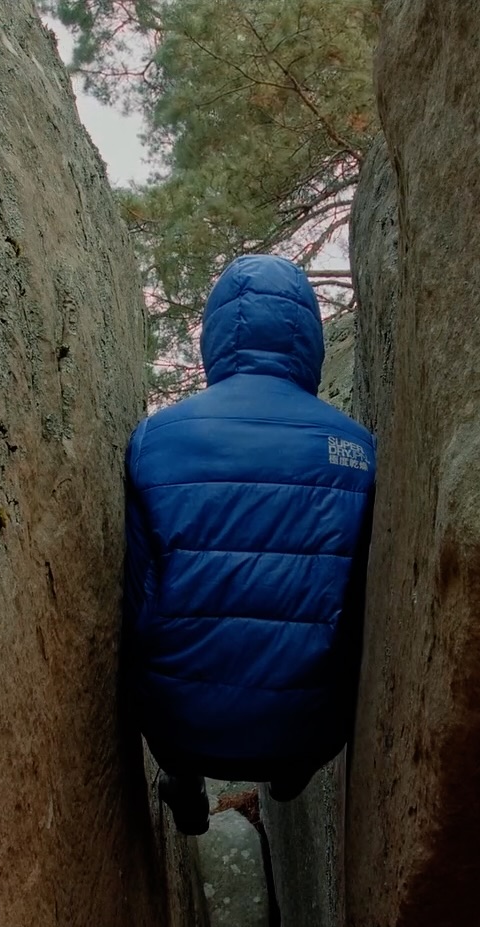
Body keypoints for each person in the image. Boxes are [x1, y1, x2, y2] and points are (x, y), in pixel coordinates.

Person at [121, 254, 375, 836]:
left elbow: (137, 600)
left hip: (179, 723)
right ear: (306, 335)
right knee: (303, 711)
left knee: (171, 677)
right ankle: (287, 779)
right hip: (309, 725)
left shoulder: (157, 438)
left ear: (214, 337)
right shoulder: (358, 448)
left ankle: (184, 786)